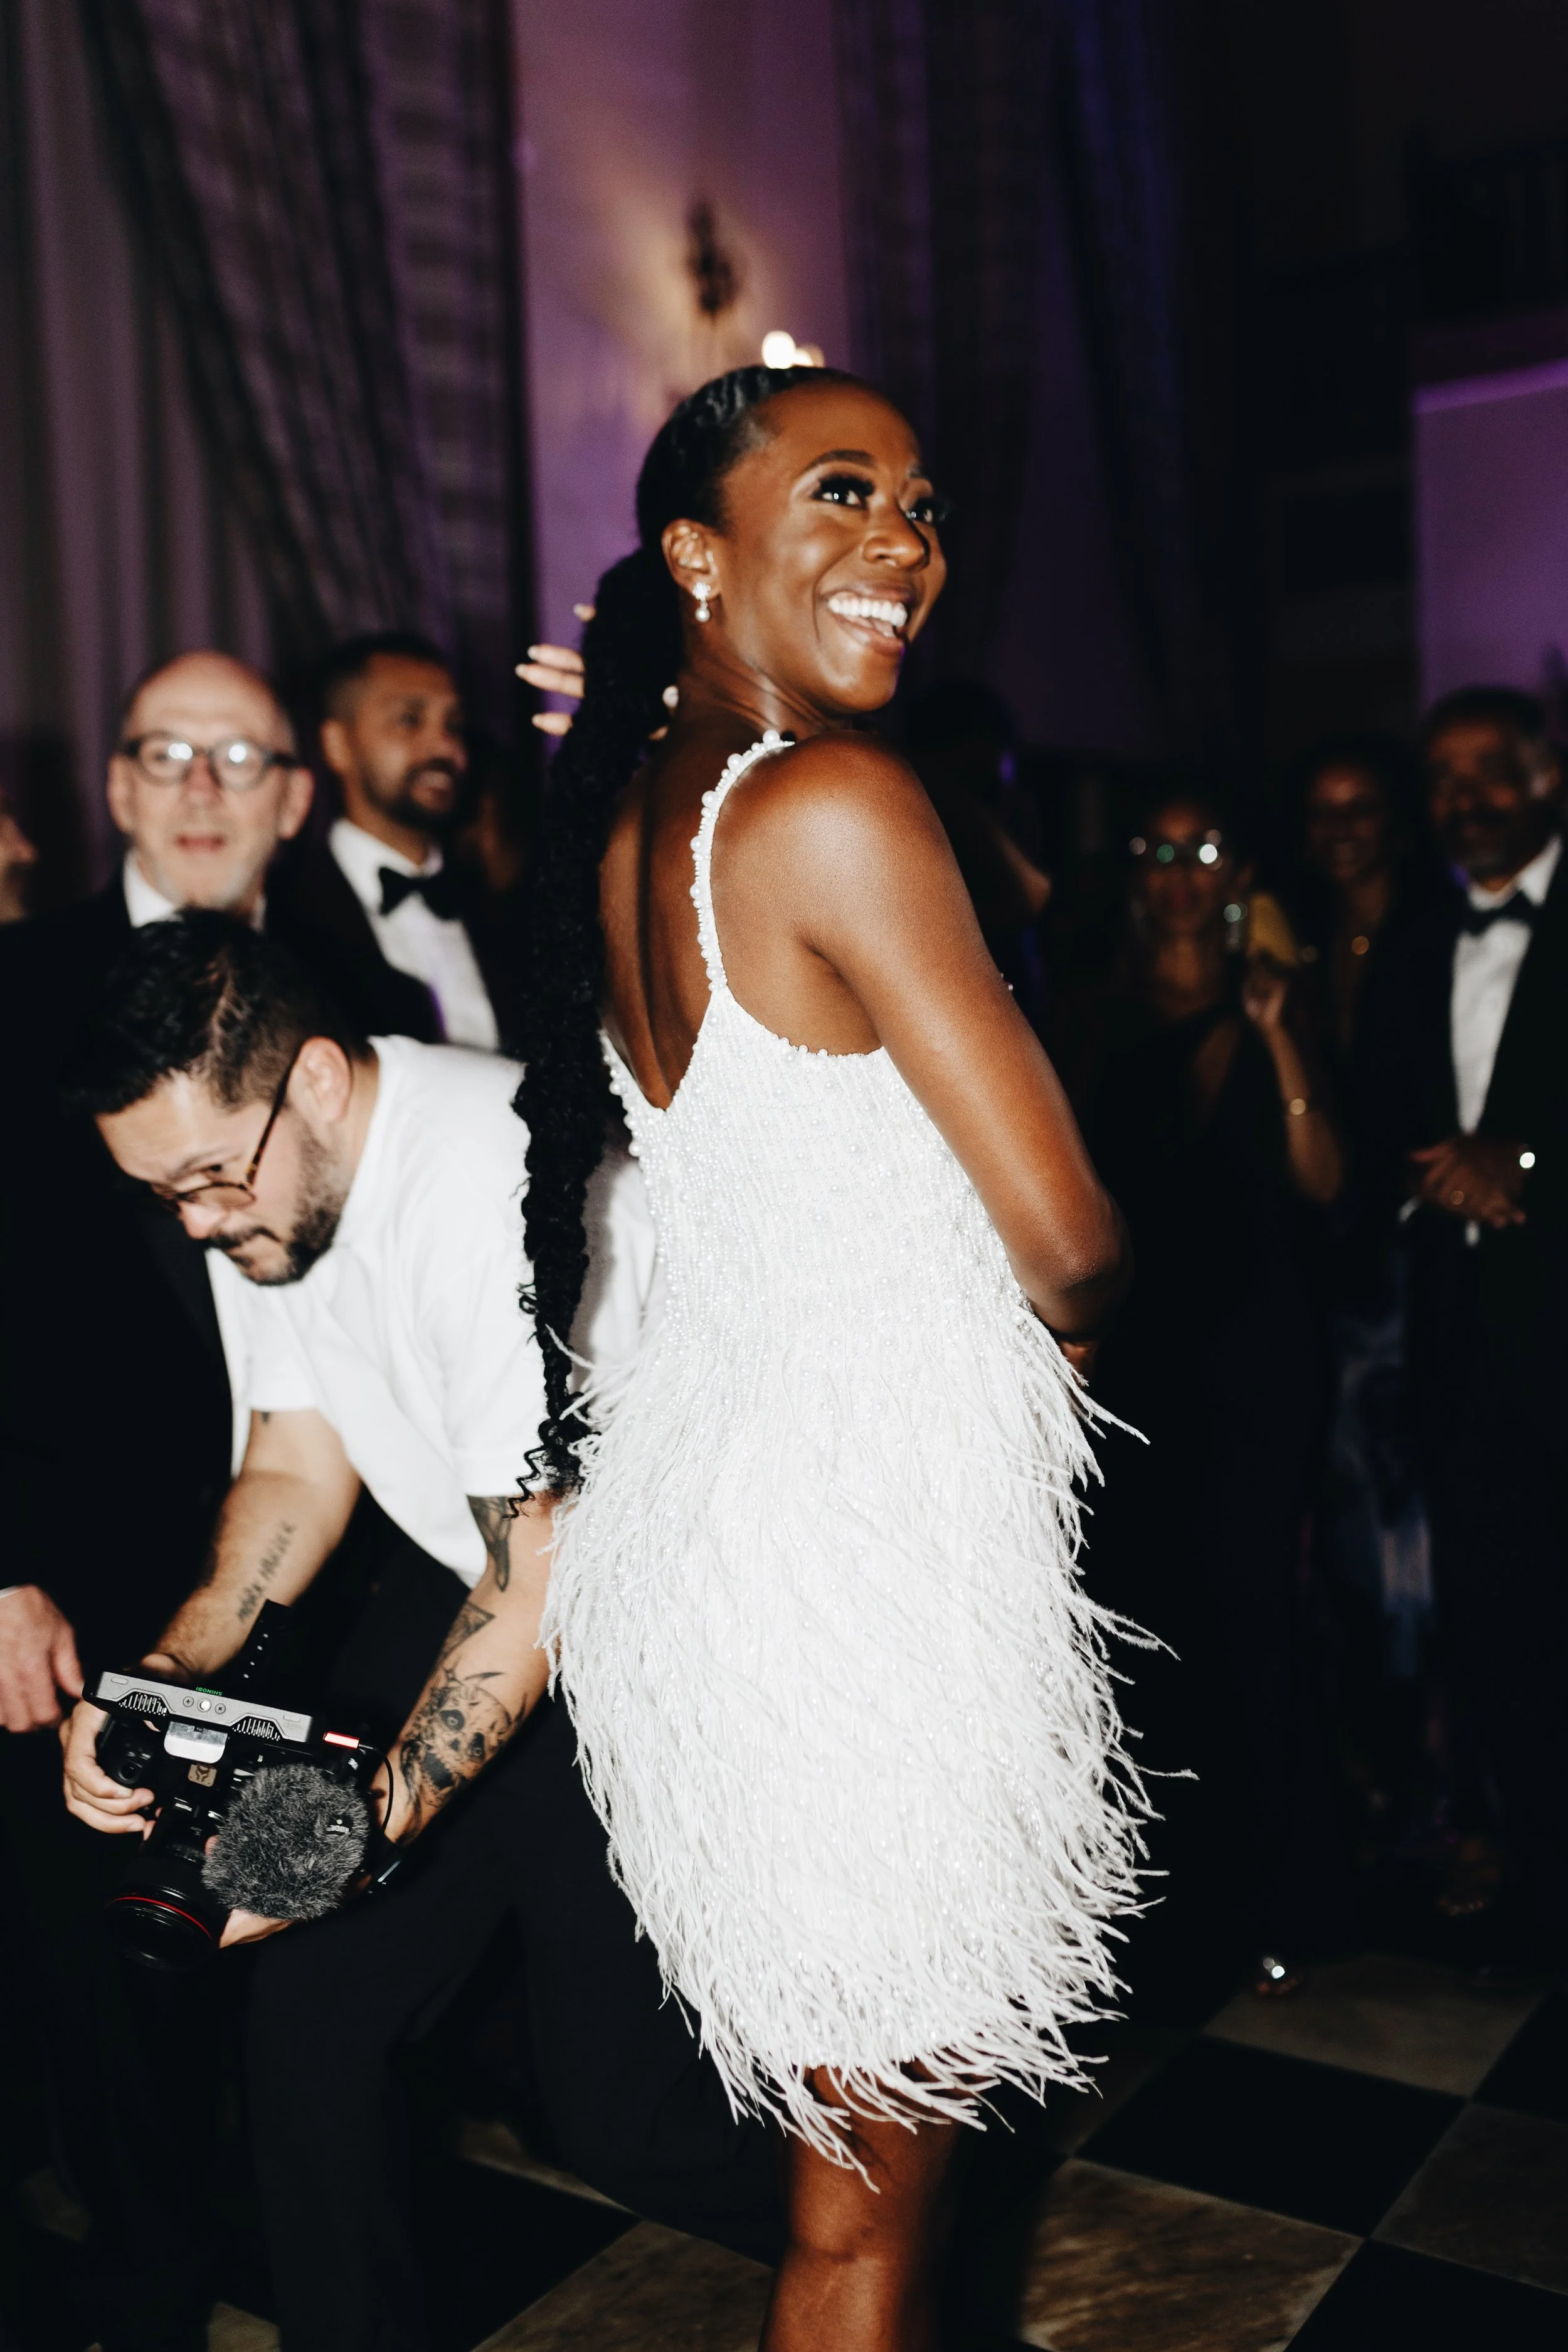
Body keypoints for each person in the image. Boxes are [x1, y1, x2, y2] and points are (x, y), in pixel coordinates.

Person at [515, 363, 1144, 2352]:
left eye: (925, 504)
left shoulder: (641, 822)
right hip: (866, 1568)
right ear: (695, 555)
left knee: (851, 2190)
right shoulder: (836, 805)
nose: (905, 544)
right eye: (842, 492)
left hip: (735, 1538)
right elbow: (1070, 1237)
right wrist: (1073, 1302)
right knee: (866, 2227)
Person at [60, 914, 780, 2352]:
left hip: (645, 1634)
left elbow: (542, 1582)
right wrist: (175, 1671)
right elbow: (293, 1461)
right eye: (167, 1192)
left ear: (315, 1079)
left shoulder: (487, 1180)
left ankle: (898, 2241)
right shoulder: (267, 1179)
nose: (197, 1221)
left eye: (207, 1179)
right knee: (311, 2036)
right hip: (470, 1579)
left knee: (629, 2121)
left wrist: (352, 1828)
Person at [1059, 791, 1352, 2001]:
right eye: (1160, 851)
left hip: (1254, 1354)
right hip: (1132, 1357)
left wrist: (1280, 1035)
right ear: (1136, 877)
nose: (1182, 872)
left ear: (1240, 879)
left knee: (1252, 1618)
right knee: (1136, 1618)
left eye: (1207, 851)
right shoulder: (1088, 1015)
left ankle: (1265, 1892)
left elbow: (1325, 1181)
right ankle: (1153, 1905)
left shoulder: (1284, 1000)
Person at [1355, 685, 1567, 1969]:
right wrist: (1429, 1165)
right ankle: (1540, 1894)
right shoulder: (1417, 939)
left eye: (1488, 769)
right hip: (1466, 1366)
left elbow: (1518, 1145)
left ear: (1548, 773)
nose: (1463, 797)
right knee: (1497, 1637)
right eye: (1441, 778)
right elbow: (1382, 1112)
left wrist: (1528, 1165)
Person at [268, 631, 525, 1052]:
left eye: (454, 726)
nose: (443, 745)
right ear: (337, 745)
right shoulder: (280, 915)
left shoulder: (508, 910)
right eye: (409, 719)